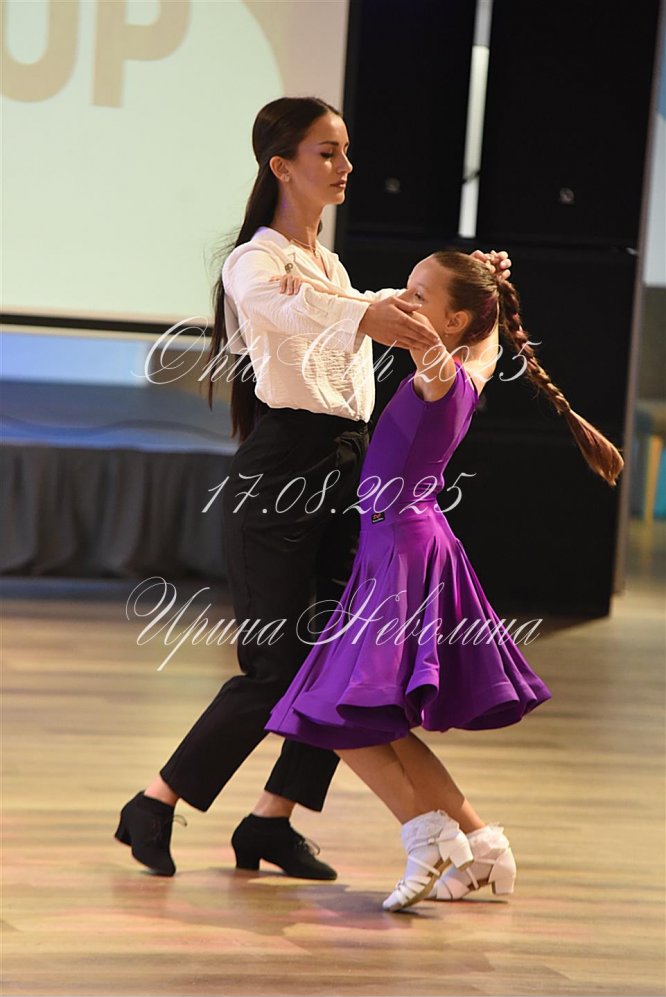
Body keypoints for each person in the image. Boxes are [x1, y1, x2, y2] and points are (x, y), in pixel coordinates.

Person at [114, 96, 511, 881]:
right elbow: (293, 310)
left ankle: (271, 819)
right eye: (327, 152)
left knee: (341, 664)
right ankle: (154, 802)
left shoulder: (331, 268)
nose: (345, 166)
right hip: (281, 470)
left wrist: (475, 292)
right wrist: (371, 315)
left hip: (346, 471)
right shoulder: (255, 262)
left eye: (346, 150)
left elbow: (399, 314)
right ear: (281, 166)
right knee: (275, 665)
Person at [265, 249, 625, 911]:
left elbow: (402, 327)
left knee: (329, 710)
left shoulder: (435, 368)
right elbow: (468, 331)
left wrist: (311, 290)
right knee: (374, 720)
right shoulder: (474, 363)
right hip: (401, 544)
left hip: (401, 551)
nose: (404, 300)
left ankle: (427, 834)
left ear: (452, 322)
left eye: (418, 295)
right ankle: (482, 844)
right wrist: (490, 291)